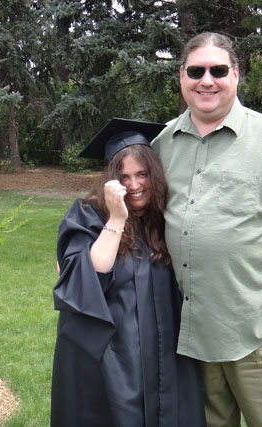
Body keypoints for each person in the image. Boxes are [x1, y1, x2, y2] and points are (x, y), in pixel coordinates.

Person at [152, 32, 262, 427]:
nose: (207, 80)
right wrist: (82, 252)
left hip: (257, 333)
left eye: (218, 70)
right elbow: (138, 214)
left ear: (235, 75)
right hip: (191, 335)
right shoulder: (163, 143)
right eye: (196, 71)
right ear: (181, 76)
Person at [51, 118, 205, 427]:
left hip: (167, 352)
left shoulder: (166, 216)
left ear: (154, 173)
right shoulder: (88, 214)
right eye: (124, 177)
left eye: (142, 174)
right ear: (111, 179)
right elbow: (90, 274)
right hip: (112, 357)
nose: (134, 185)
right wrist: (117, 218)